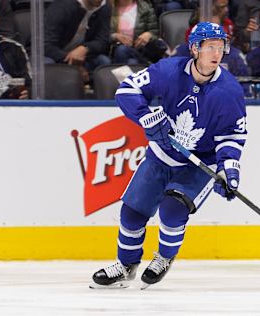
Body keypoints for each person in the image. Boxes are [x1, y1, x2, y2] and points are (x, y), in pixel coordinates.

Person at [90, 22, 247, 289]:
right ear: (195, 48)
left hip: (199, 165)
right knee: (132, 213)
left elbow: (231, 135)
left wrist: (228, 169)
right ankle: (126, 265)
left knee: (172, 210)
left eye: (220, 47)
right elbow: (127, 90)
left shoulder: (229, 91)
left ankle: (163, 258)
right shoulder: (169, 70)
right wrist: (147, 118)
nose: (216, 53)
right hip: (161, 156)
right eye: (210, 47)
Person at [44, 0, 112, 82]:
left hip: (81, 56)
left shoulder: (104, 6)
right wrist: (75, 64)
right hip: (55, 55)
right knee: (48, 64)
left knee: (103, 61)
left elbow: (102, 40)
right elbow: (46, 45)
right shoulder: (62, 7)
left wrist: (85, 48)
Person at [110, 0, 167, 65]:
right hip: (116, 49)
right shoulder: (108, 8)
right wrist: (114, 36)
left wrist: (149, 34)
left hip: (139, 50)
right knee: (123, 52)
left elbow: (155, 32)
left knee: (132, 61)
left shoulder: (145, 7)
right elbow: (101, 35)